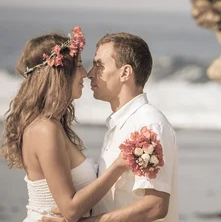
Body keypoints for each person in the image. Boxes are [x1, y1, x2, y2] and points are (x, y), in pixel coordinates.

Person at [44, 33, 179, 222]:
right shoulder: (120, 124)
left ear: (125, 73)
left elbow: (155, 205)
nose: (90, 73)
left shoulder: (148, 125)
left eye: (99, 65)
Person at [1, 28, 128, 222]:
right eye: (78, 65)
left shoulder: (51, 124)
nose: (85, 73)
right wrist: (118, 167)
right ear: (60, 73)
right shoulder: (45, 129)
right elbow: (70, 209)